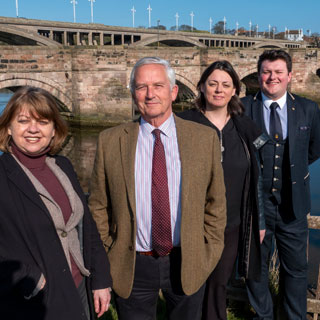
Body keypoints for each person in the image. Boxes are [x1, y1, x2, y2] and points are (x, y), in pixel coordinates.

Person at [88, 56, 227, 320]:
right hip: (132, 263)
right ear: (133, 94)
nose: (150, 94)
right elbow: (98, 205)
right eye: (141, 87)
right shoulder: (110, 141)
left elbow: (216, 203)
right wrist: (109, 249)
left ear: (174, 92)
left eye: (158, 86)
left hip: (187, 259)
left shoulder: (203, 138)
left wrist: (208, 251)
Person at [0, 86, 112, 320]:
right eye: (23, 121)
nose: (33, 129)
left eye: (42, 121)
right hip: (35, 297)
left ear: (54, 130)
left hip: (79, 284)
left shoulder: (62, 166)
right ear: (8, 128)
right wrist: (30, 279)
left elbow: (87, 227)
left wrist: (100, 280)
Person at [179, 60, 266, 320]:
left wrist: (258, 220)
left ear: (234, 91)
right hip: (190, 222)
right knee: (188, 285)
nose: (219, 89)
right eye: (213, 83)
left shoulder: (246, 128)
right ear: (202, 87)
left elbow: (257, 177)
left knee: (218, 285)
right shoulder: (183, 124)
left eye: (226, 85)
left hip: (232, 224)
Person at [242, 49, 320, 319]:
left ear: (290, 76)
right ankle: (262, 316)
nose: (271, 77)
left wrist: (295, 171)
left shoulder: (308, 109)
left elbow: (314, 148)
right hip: (255, 206)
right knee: (255, 269)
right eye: (266, 72)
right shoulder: (243, 107)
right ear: (258, 75)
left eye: (277, 72)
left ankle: (293, 317)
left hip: (293, 206)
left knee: (296, 270)